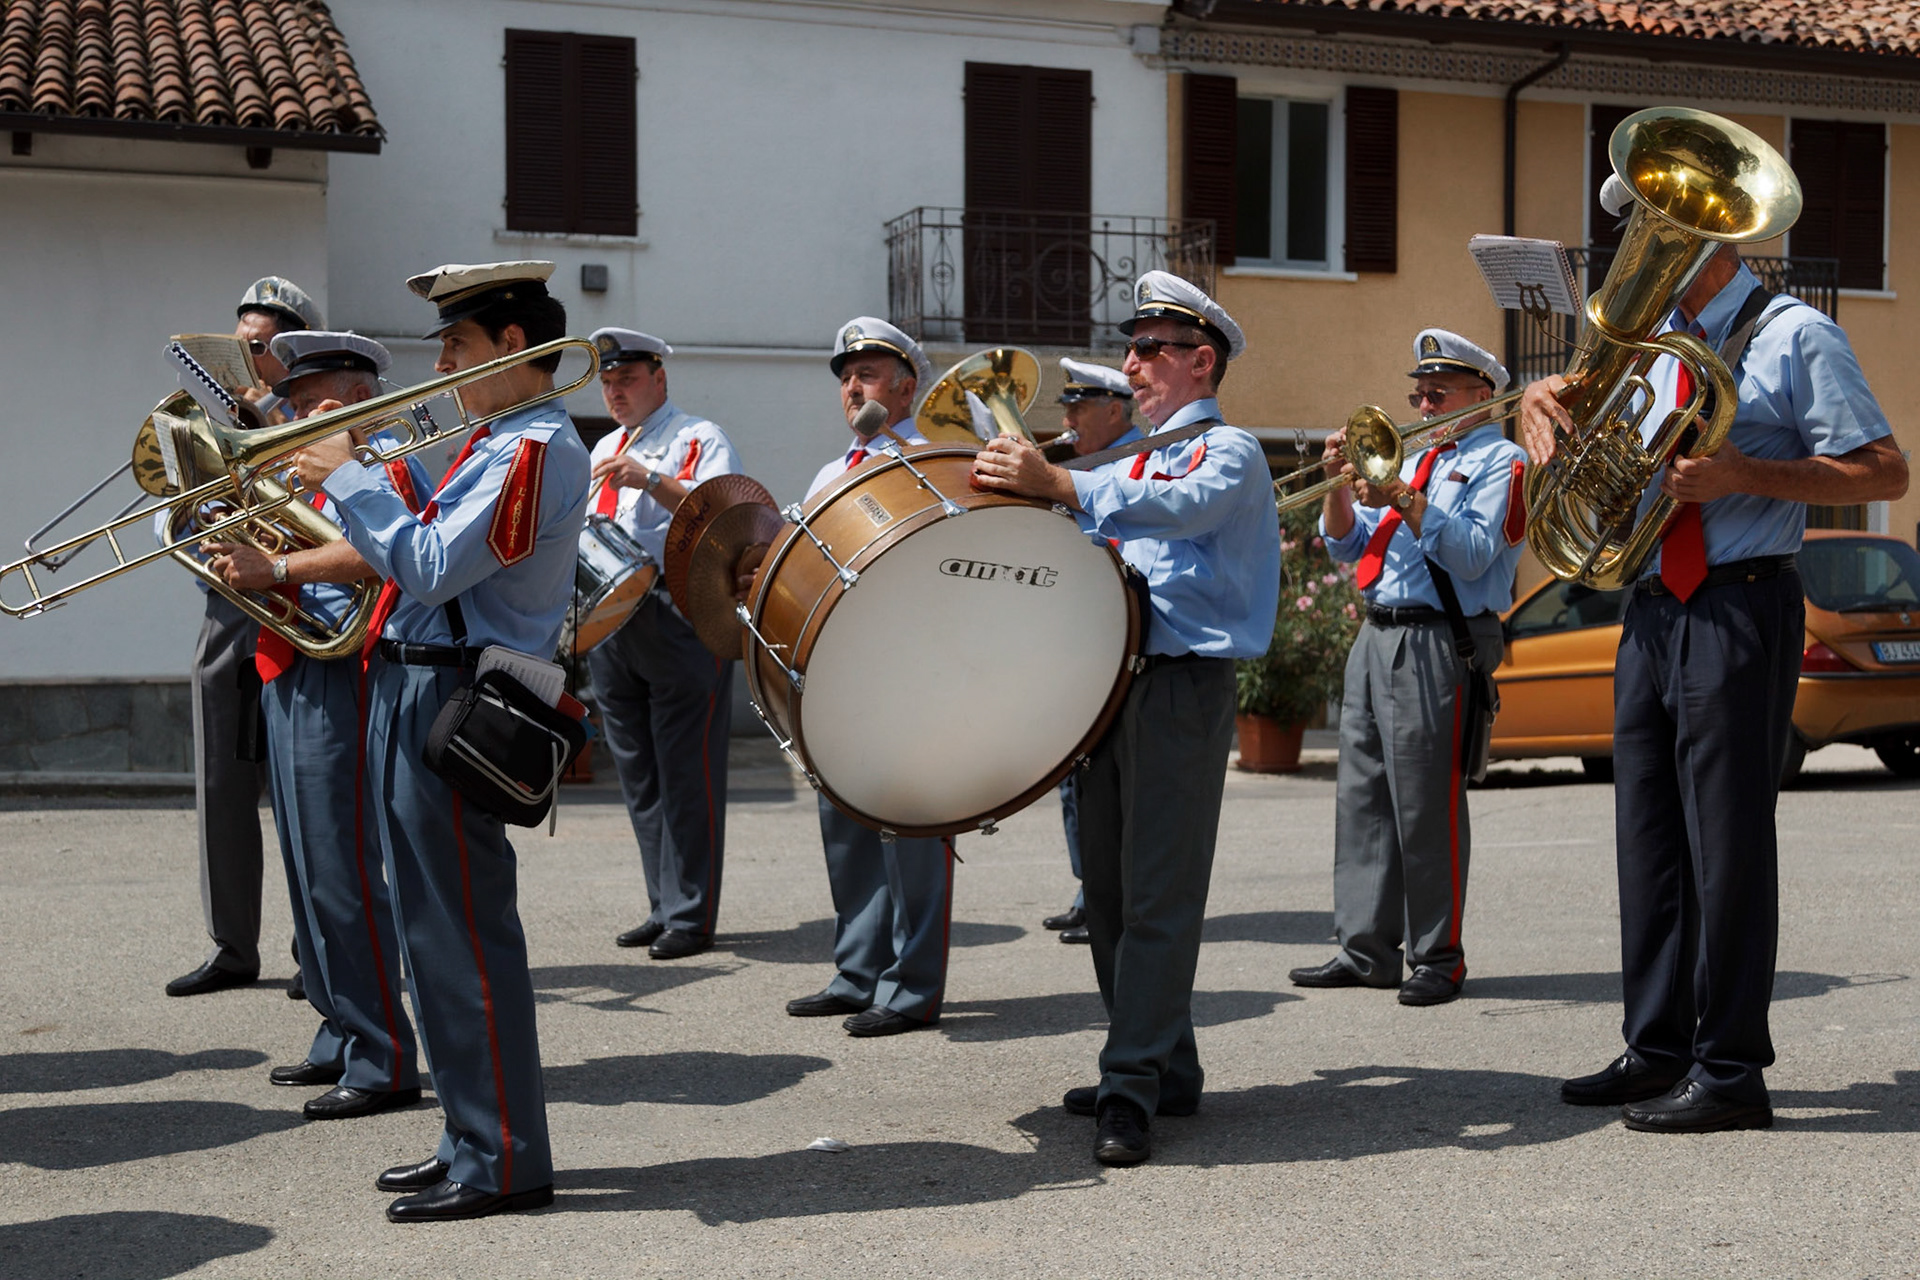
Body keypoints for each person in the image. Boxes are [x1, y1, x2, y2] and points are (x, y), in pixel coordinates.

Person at [1519, 243, 1907, 1132]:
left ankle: (1730, 1068)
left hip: (1740, 601)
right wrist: (1545, 398)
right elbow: (1595, 444)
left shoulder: (1798, 335)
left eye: (1663, 226)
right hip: (1652, 604)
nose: (1635, 248)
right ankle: (1658, 1047)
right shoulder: (1654, 343)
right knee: (1647, 836)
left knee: (1728, 843)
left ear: (1720, 237)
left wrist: (1744, 474)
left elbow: (1884, 471)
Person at [293, 260, 590, 1219]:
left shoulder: (536, 448)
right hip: (410, 683)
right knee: (423, 931)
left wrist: (344, 469)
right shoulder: (488, 440)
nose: (447, 370)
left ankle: (504, 1157)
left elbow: (424, 562)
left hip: (459, 697)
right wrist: (353, 462)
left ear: (514, 346)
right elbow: (393, 523)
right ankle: (468, 1133)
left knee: (461, 935)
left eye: (458, 348)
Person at [971, 272, 1281, 1166]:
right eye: (1133, 348)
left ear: (1201, 361)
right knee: (1105, 892)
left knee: (1157, 895)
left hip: (1181, 684)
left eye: (1150, 351)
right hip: (1111, 684)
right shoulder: (1127, 460)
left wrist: (1062, 484)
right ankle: (1163, 1067)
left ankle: (1131, 1080)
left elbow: (1182, 512)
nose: (1132, 365)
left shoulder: (1229, 451)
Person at [202, 332, 423, 1119]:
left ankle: (383, 1052)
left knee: (342, 870)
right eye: (291, 404)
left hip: (343, 667)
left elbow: (382, 555)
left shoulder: (389, 457)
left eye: (311, 404)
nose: (293, 418)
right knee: (305, 869)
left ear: (358, 397)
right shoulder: (313, 462)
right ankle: (339, 1026)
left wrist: (278, 568)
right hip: (290, 660)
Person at [1289, 329, 1527, 1008]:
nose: (1422, 407)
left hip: (1437, 639)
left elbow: (1474, 554)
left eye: (1437, 395)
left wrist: (1400, 493)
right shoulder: (1416, 462)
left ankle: (1439, 956)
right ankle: (1365, 949)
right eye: (1418, 394)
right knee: (1361, 799)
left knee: (1427, 805)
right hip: (1377, 632)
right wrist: (1340, 484)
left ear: (1482, 397)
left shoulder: (1501, 463)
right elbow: (1345, 546)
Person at [783, 316, 956, 1038]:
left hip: (910, 664)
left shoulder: (935, 459)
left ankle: (912, 986)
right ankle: (858, 972)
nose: (854, 387)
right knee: (847, 825)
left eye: (870, 374)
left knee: (912, 827)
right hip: (838, 667)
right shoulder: (833, 472)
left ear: (907, 386)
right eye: (846, 377)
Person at [166, 276, 324, 998]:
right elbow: (181, 517)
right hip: (227, 619)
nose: (243, 360)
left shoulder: (316, 416)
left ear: (285, 353)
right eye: (235, 347)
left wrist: (262, 424)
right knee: (221, 788)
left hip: (303, 621)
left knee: (303, 791)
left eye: (256, 347)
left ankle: (316, 948)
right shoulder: (212, 421)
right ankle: (232, 946)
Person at [582, 328, 740, 960]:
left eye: (627, 379)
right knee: (639, 773)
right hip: (611, 619)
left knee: (687, 772)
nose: (615, 392)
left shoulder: (698, 437)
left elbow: (724, 513)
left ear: (659, 378)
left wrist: (649, 479)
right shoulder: (603, 444)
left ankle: (692, 912)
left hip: (675, 615)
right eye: (608, 382)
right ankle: (662, 902)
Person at [1042, 357, 1141, 946]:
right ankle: (1090, 889)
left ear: (1113, 409)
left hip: (1114, 633)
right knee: (1074, 778)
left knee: (1112, 780)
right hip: (1076, 630)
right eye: (1067, 407)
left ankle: (1113, 896)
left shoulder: (1134, 461)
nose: (1069, 417)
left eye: (1080, 406)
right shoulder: (1080, 462)